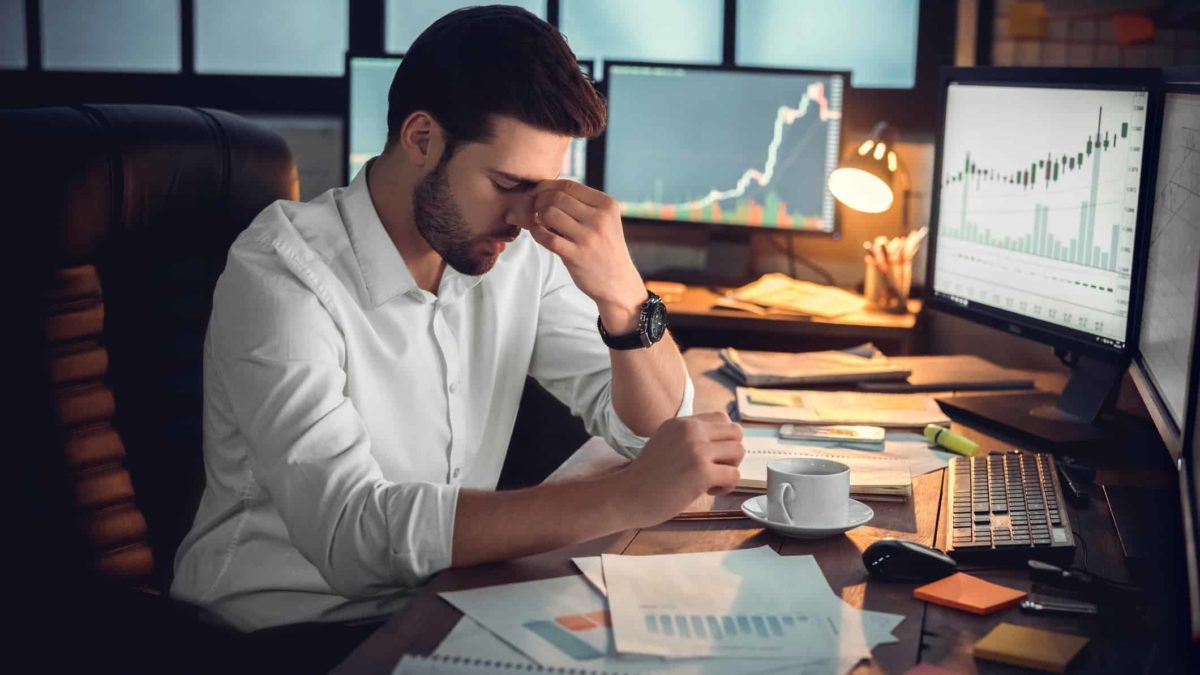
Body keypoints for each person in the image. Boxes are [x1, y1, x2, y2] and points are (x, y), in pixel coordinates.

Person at [171, 4, 745, 644]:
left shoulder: (519, 248)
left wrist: (625, 294)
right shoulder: (282, 274)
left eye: (545, 187)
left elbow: (656, 436)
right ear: (422, 139)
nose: (526, 216)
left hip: (450, 601)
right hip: (284, 635)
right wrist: (628, 498)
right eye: (507, 183)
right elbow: (352, 536)